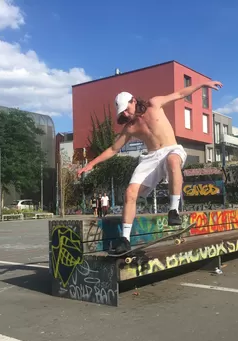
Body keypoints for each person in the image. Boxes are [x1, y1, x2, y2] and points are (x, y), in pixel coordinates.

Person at [77, 80, 223, 253]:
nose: (125, 114)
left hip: (171, 150)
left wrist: (203, 84)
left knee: (173, 161)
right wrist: (90, 164)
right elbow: (113, 149)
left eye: (126, 109)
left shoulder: (154, 104)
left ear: (133, 101)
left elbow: (180, 94)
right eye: (122, 112)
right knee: (130, 193)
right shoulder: (130, 128)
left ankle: (173, 210)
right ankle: (124, 239)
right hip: (151, 158)